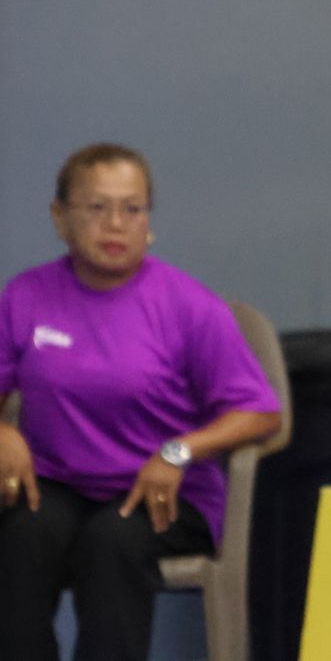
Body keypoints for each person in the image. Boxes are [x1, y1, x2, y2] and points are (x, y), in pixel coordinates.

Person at [0, 143, 283, 661]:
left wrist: (178, 452)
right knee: (22, 535)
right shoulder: (25, 296)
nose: (115, 224)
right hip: (61, 483)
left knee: (112, 543)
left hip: (165, 493)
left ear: (148, 221)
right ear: (60, 218)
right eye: (96, 207)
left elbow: (262, 413)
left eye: (132, 208)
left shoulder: (190, 307)